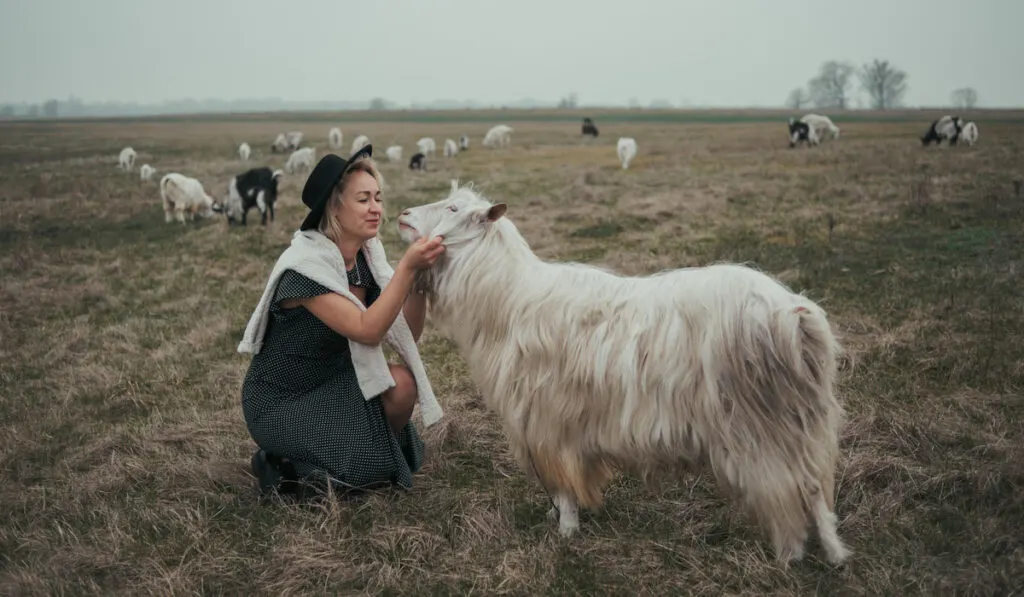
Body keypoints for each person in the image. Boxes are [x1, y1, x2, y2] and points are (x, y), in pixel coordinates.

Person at [237, 145, 446, 497]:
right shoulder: (304, 270)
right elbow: (368, 331)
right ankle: (281, 463)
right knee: (363, 474)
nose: (377, 208)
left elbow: (408, 331)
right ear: (333, 206)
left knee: (401, 386)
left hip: (337, 381)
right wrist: (407, 269)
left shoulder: (366, 260)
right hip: (283, 399)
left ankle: (342, 460)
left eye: (378, 197)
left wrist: (420, 283)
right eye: (363, 199)